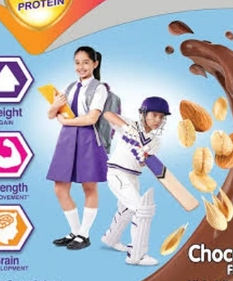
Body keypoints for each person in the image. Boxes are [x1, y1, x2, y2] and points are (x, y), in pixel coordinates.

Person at [46, 46, 109, 250]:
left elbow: (92, 118)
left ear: (95, 64)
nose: (81, 67)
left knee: (89, 187)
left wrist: (65, 121)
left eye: (86, 62)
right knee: (60, 187)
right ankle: (75, 231)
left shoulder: (100, 88)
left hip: (88, 139)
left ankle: (85, 234)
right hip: (66, 140)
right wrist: (55, 105)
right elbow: (51, 115)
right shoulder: (70, 87)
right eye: (77, 62)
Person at [100, 96, 171, 266]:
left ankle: (111, 239)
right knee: (142, 210)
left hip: (133, 177)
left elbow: (142, 164)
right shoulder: (130, 124)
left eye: (161, 117)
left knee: (127, 210)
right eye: (154, 115)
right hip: (117, 173)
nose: (158, 120)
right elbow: (107, 114)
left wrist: (143, 157)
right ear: (144, 113)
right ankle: (137, 255)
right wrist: (126, 128)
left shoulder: (155, 142)